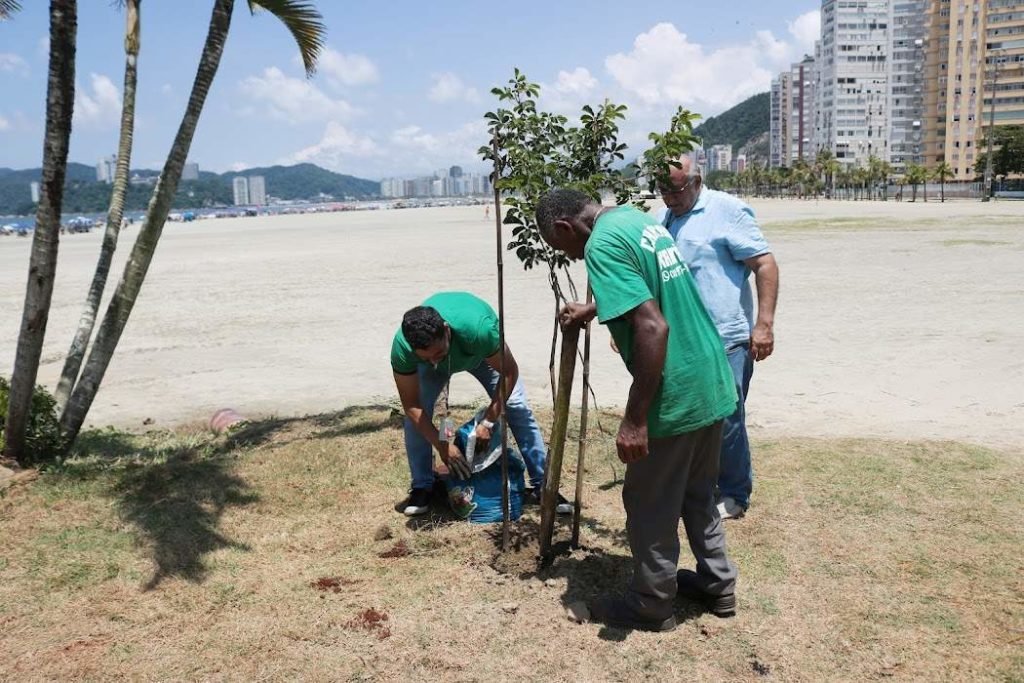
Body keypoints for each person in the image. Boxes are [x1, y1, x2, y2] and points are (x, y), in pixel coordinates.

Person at [536, 189, 739, 632]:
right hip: (710, 377)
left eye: (562, 248)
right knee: (697, 493)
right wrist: (595, 307)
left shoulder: (600, 245)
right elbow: (653, 289)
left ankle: (651, 602)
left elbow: (652, 325)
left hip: (677, 391)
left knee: (649, 501)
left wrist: (635, 419)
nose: (570, 257)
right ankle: (717, 583)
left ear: (565, 228)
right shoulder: (634, 222)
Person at [658, 158, 779, 520]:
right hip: (686, 342)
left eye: (676, 190)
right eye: (663, 190)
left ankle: (734, 492)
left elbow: (766, 264)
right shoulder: (668, 219)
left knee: (727, 418)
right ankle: (701, 484)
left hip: (727, 339)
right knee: (697, 419)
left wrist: (764, 325)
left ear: (696, 181)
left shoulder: (726, 209)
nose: (669, 198)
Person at [391, 291, 571, 516]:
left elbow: (509, 372)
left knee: (516, 406)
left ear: (446, 330)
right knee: (417, 418)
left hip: (480, 356)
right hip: (447, 358)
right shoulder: (404, 348)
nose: (434, 361)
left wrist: (487, 422)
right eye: (425, 357)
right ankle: (422, 486)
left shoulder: (479, 330)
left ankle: (544, 486)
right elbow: (412, 405)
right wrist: (443, 445)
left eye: (437, 353)